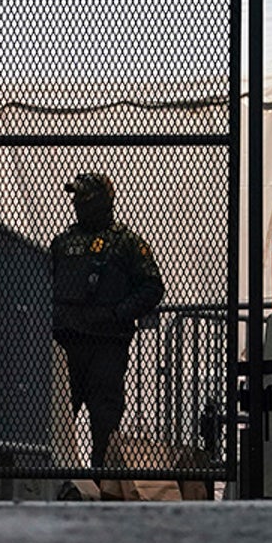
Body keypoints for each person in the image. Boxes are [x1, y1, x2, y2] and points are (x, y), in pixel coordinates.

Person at [50, 174, 165, 468]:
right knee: (57, 418)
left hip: (106, 345)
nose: (76, 203)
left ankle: (102, 482)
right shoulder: (63, 243)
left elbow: (152, 286)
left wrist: (119, 313)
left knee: (104, 420)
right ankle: (60, 481)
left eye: (83, 198)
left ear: (100, 201)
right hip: (67, 345)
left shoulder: (125, 243)